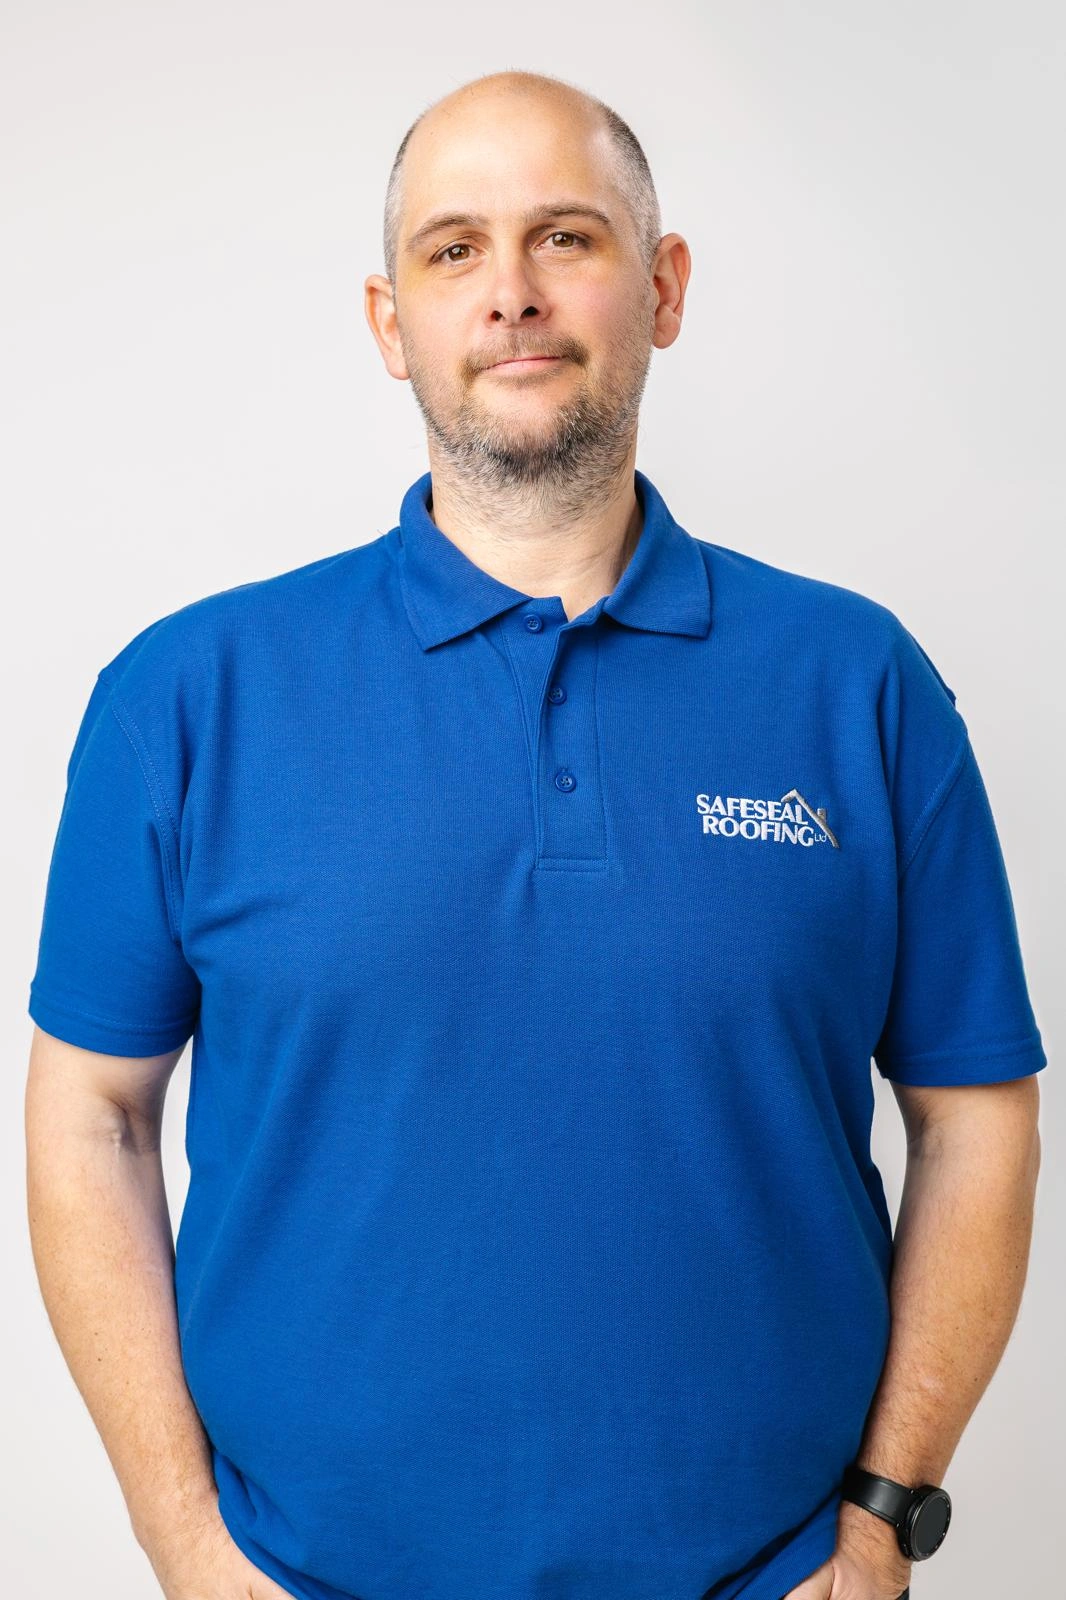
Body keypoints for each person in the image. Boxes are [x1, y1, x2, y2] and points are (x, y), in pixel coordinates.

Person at [24, 68, 1044, 1600]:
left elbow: (978, 1113)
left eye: (564, 237)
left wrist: (885, 1513)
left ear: (664, 286)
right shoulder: (186, 694)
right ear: (389, 323)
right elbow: (86, 1118)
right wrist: (185, 1545)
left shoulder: (857, 683)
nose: (508, 293)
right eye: (452, 251)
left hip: (765, 1581)